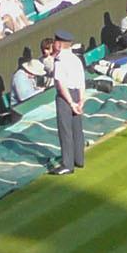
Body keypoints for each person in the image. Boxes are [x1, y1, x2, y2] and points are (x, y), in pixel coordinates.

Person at [50, 32, 88, 174]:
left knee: (65, 130)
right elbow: (81, 81)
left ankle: (67, 164)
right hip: (77, 95)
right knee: (77, 129)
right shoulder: (76, 59)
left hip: (65, 98)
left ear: (59, 44)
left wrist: (71, 103)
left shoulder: (60, 60)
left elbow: (61, 84)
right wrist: (81, 100)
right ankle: (79, 159)